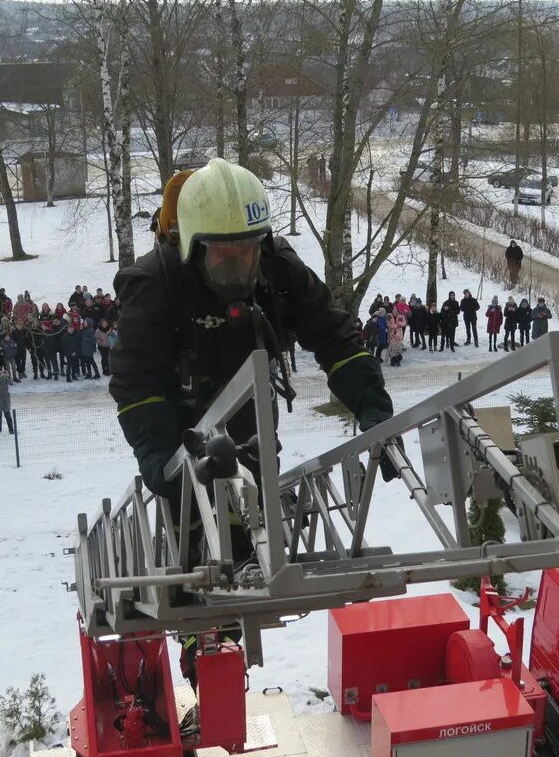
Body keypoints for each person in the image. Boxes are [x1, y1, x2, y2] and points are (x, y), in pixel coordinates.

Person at [108, 157, 394, 530]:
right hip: (182, 428)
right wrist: (160, 458)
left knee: (262, 526)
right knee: (198, 535)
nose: (237, 267)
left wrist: (372, 407)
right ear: (192, 248)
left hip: (254, 422)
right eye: (222, 256)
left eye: (246, 252)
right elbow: (137, 382)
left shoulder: (278, 269)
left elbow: (334, 336)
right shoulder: (155, 285)